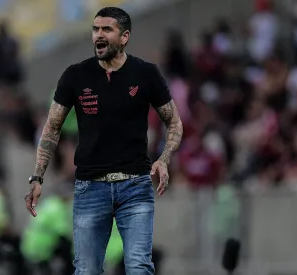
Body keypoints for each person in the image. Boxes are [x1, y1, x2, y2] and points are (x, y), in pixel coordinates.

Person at [24, 7, 183, 275]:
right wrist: (37, 177)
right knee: (86, 270)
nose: (99, 35)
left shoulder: (145, 74)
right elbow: (51, 129)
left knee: (139, 267)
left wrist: (164, 159)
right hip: (90, 189)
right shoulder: (75, 76)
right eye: (95, 29)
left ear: (124, 37)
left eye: (107, 29)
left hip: (135, 186)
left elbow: (175, 122)